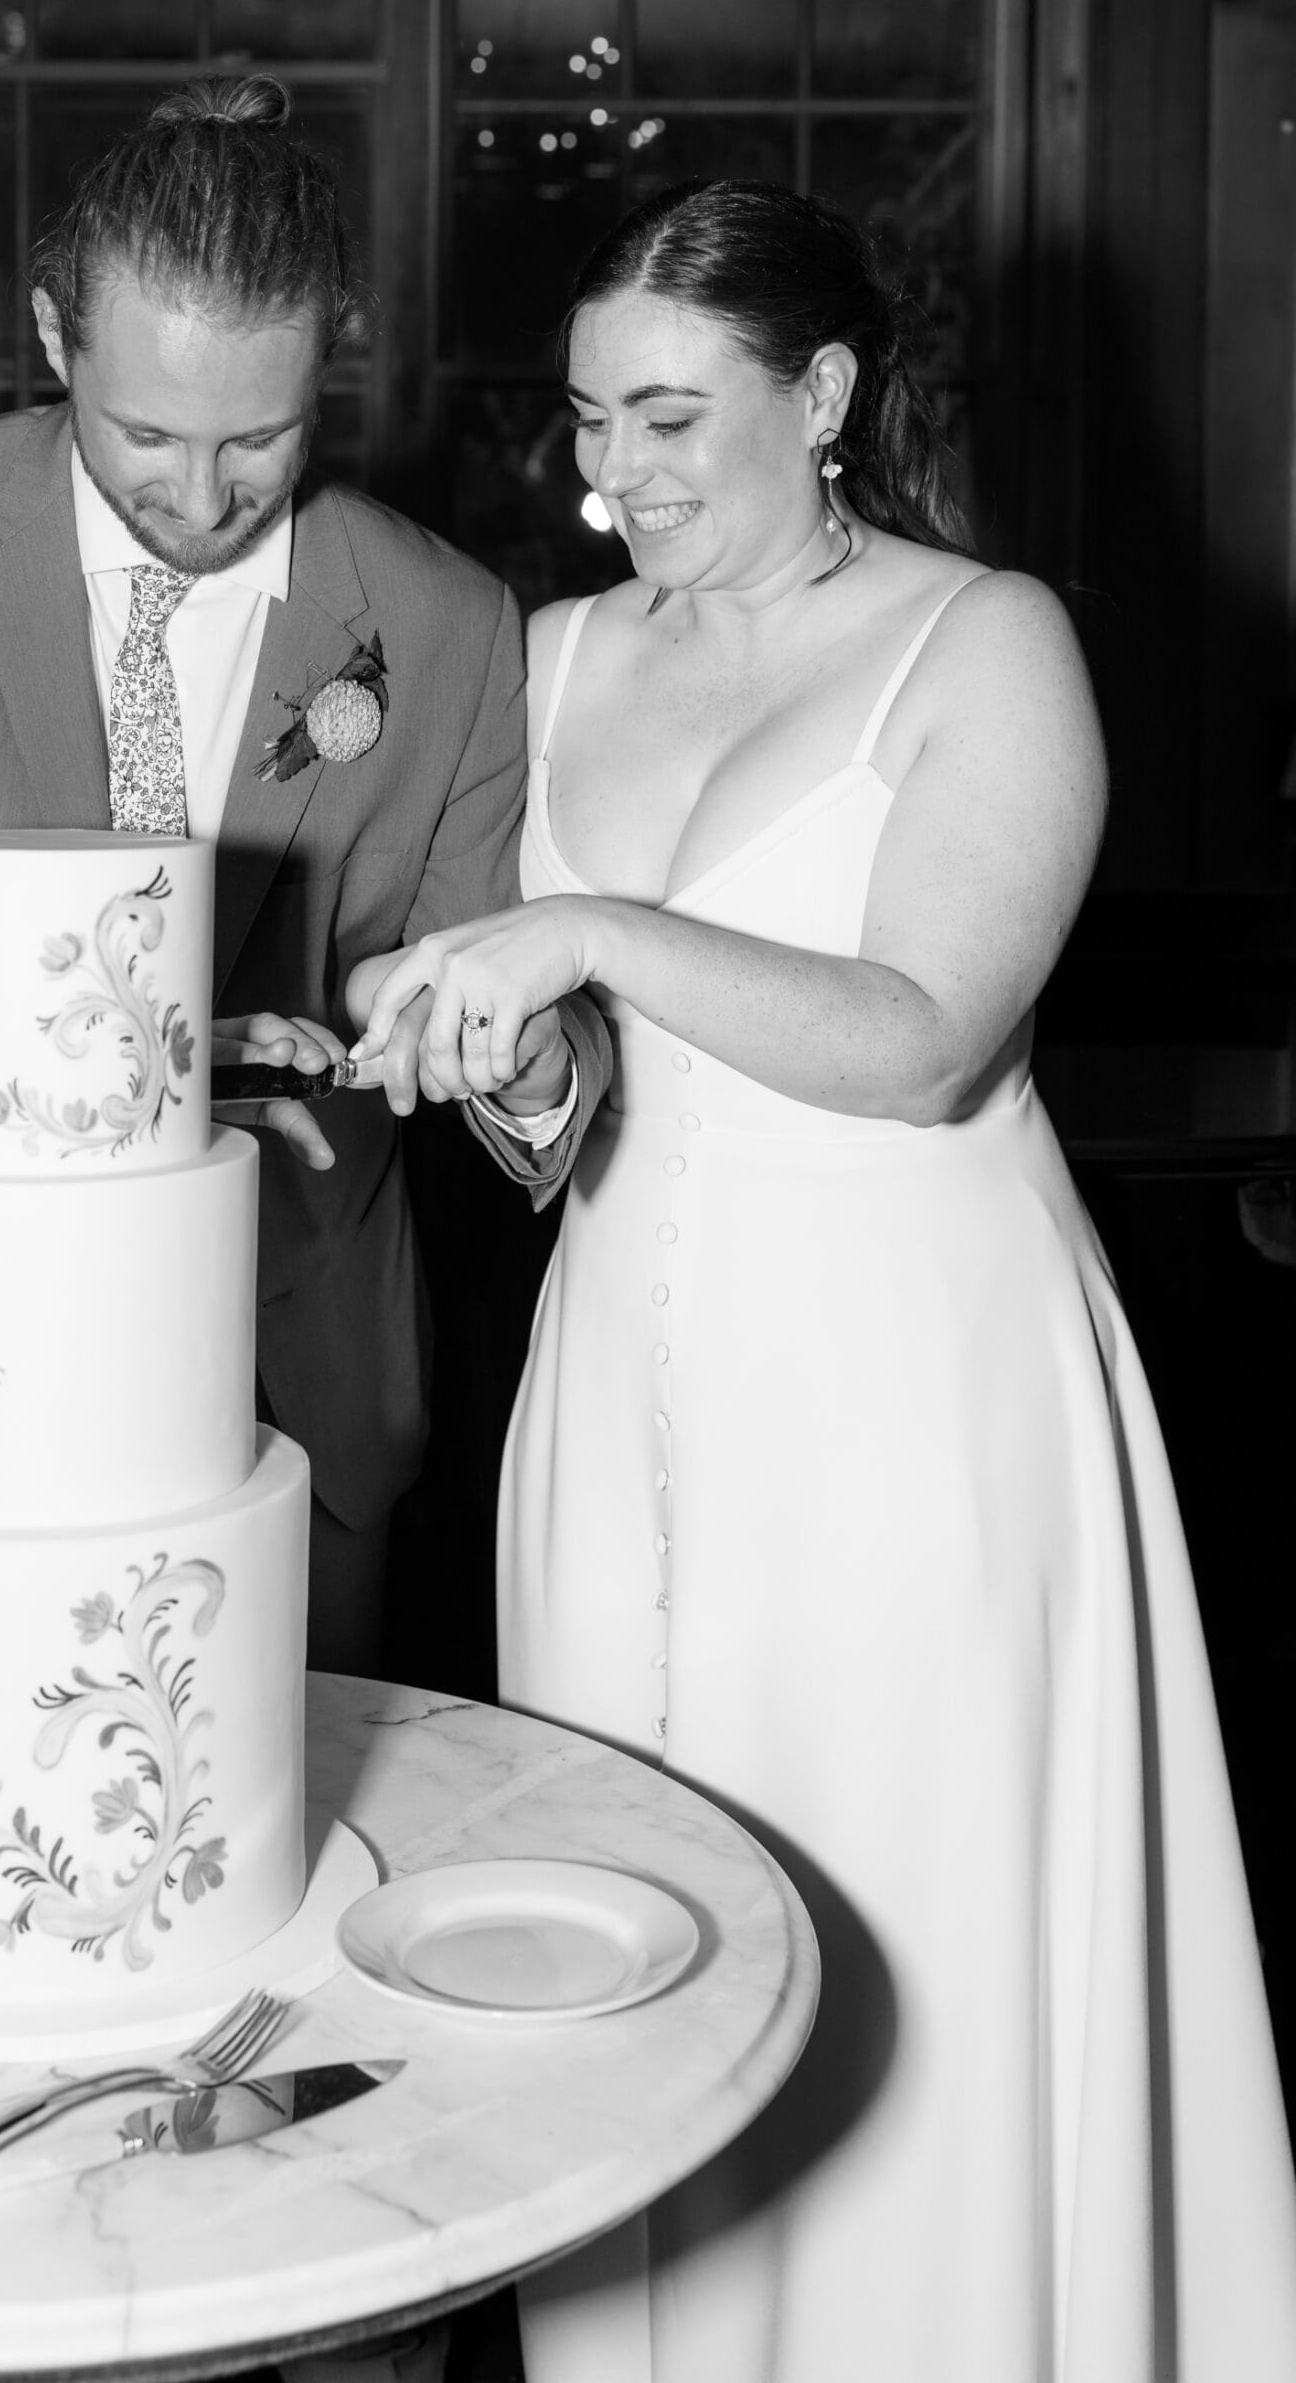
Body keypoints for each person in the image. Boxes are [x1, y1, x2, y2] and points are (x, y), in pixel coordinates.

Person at [353, 180, 1296, 2380]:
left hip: (908, 1378)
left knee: (903, 1911)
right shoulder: (553, 647)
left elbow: (916, 1031)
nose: (613, 476)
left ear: (828, 392)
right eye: (587, 420)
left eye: (673, 414)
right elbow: (576, 1089)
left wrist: (585, 936)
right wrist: (481, 1041)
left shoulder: (989, 640)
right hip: (617, 1380)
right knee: (624, 1927)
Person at [0, 75, 602, 1684]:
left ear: (331, 351)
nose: (199, 501)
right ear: (57, 334)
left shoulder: (452, 625)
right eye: (144, 432)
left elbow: (459, 983)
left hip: (300, 1354)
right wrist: (154, 1072)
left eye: (260, 439)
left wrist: (488, 1052)